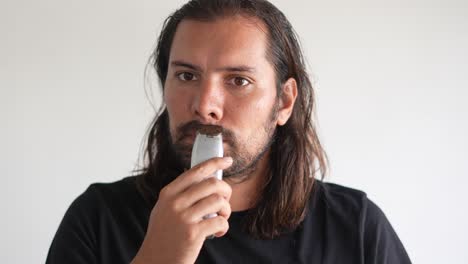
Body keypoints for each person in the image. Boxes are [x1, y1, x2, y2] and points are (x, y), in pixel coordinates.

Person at [46, 0, 412, 263]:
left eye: (238, 80)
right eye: (186, 76)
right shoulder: (97, 219)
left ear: (284, 102)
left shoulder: (357, 229)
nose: (206, 104)